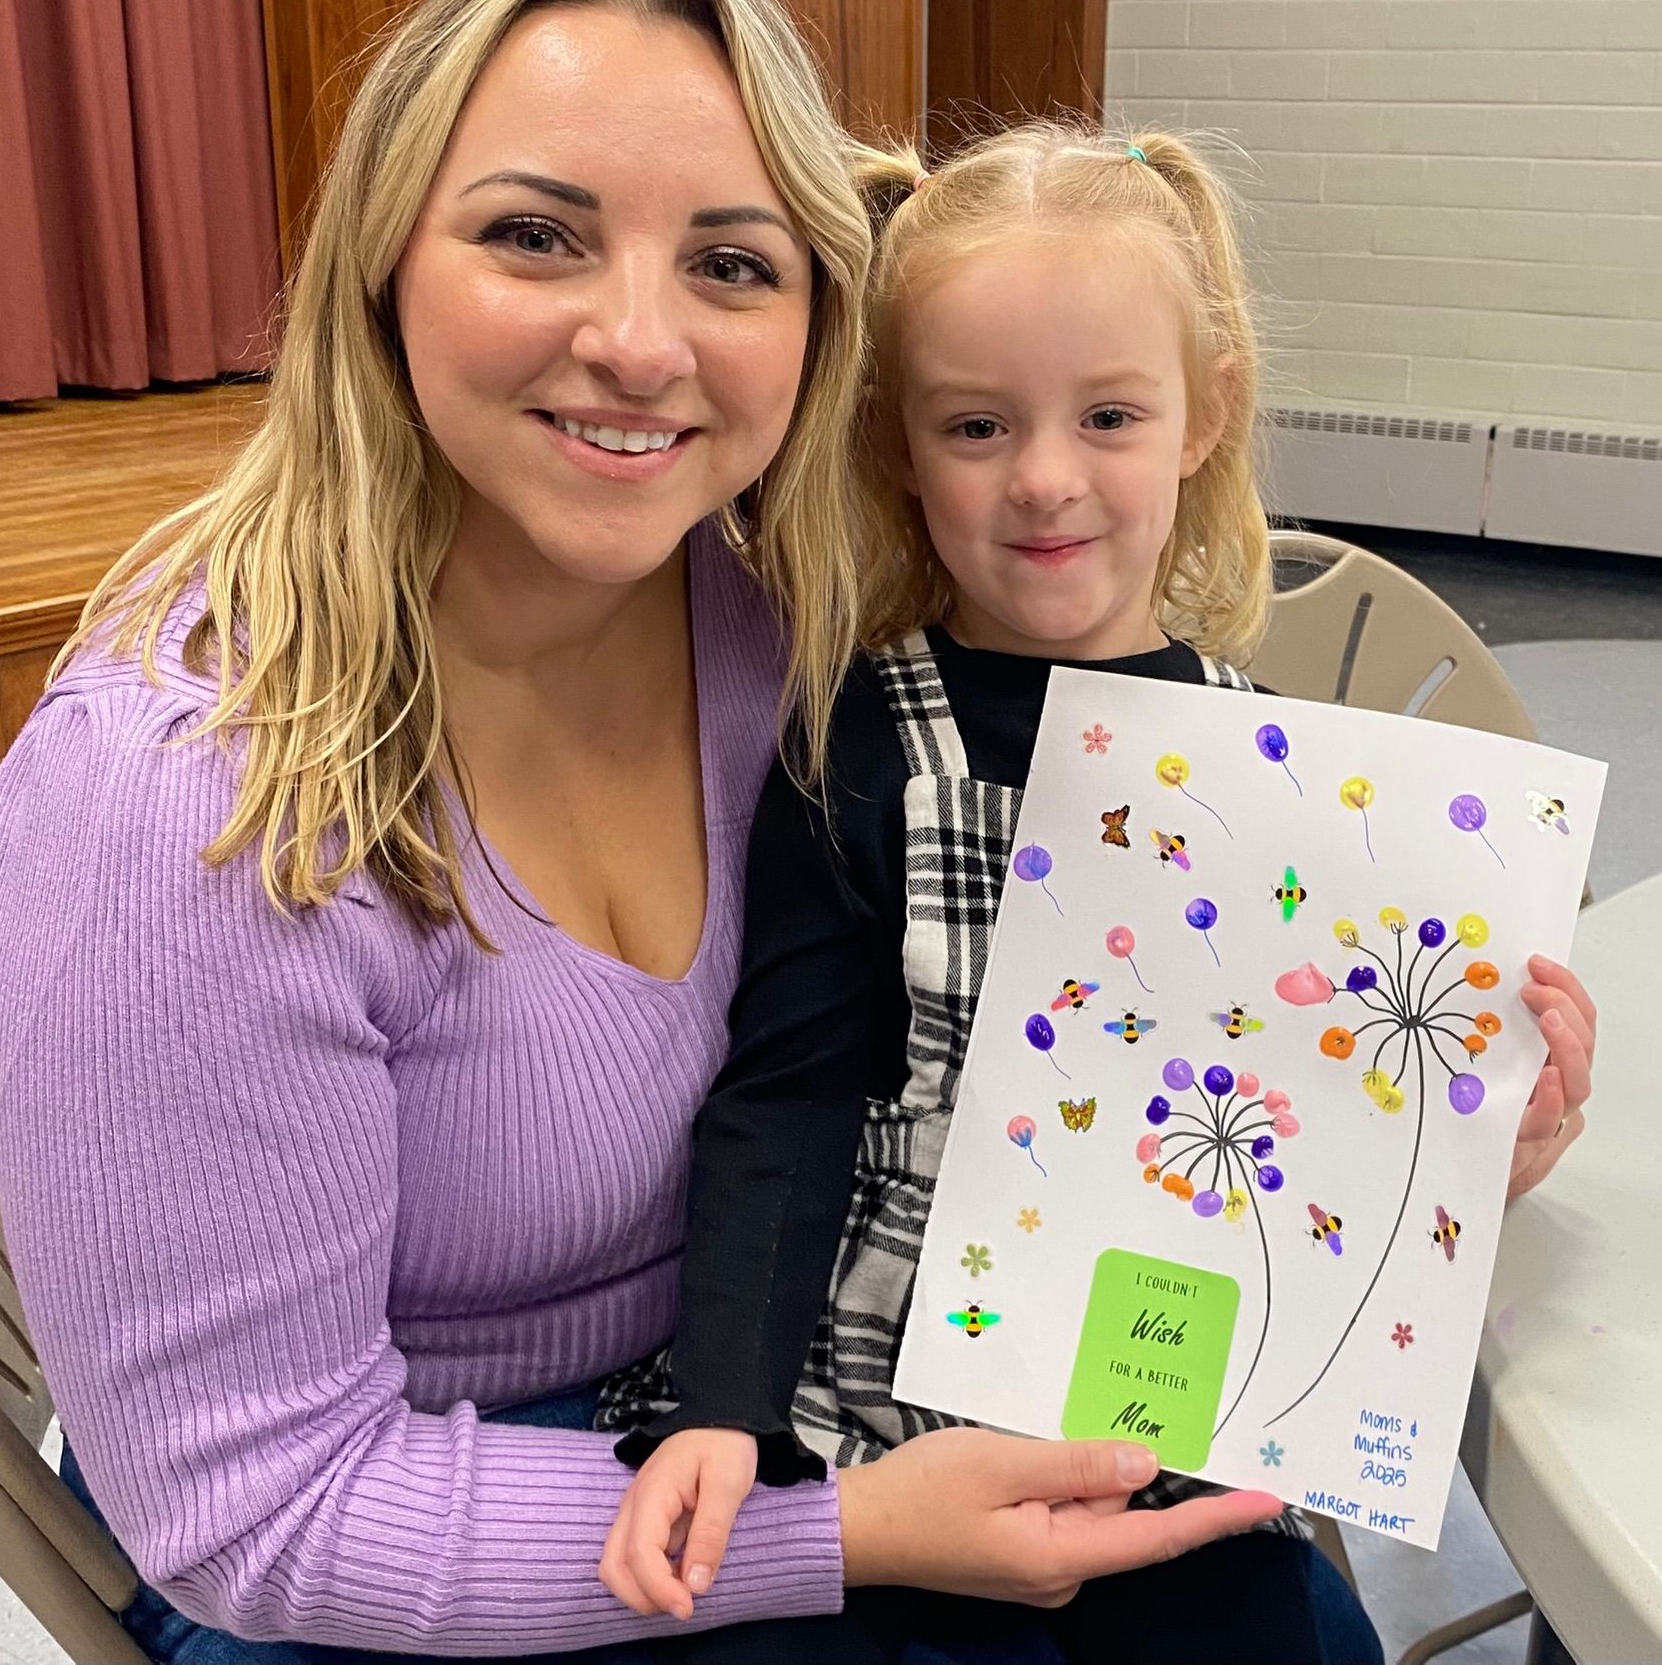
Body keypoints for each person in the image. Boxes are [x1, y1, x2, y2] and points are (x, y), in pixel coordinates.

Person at [0, 0, 1310, 1665]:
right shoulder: (172, 800)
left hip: (766, 1383)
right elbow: (253, 1516)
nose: (637, 339)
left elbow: (1019, 1036)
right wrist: (838, 1532)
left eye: (731, 263)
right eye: (536, 235)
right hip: (372, 1539)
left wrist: (1381, 1105)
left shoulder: (777, 629)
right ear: (381, 257)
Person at [596, 122, 1600, 1663]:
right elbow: (783, 1099)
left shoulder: (1287, 775)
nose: (1047, 479)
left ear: (1207, 416)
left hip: (1167, 1437)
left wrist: (1474, 1143)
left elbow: (1323, 1135)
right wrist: (725, 1411)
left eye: (1111, 415)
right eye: (977, 424)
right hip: (888, 1431)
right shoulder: (857, 747)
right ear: (899, 447)